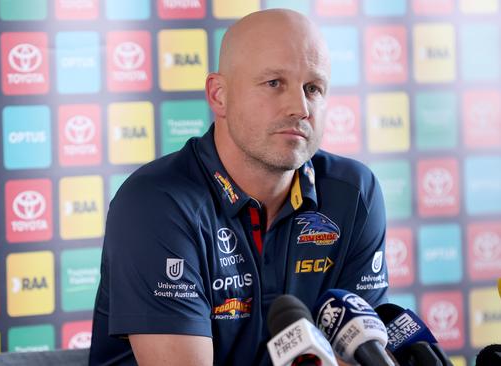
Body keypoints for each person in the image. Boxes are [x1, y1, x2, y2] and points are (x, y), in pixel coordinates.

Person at [89, 9, 388, 365]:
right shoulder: (155, 204)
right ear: (218, 95)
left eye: (313, 88)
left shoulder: (352, 193)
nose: (300, 107)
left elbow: (361, 353)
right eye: (274, 82)